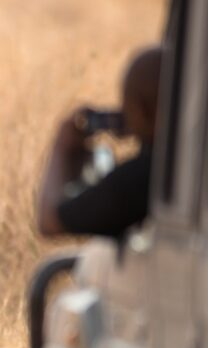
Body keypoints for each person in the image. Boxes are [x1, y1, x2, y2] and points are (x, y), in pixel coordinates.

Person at [36, 47, 163, 239]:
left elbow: (49, 221)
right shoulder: (183, 165)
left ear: (143, 111)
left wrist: (61, 148)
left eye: (127, 108)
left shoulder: (141, 177)